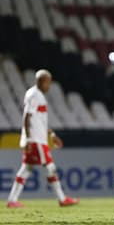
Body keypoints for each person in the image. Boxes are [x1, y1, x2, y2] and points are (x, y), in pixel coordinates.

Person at [6, 70, 79, 208]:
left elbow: (38, 120)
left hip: (37, 138)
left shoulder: (36, 95)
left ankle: (12, 200)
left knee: (26, 169)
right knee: (50, 166)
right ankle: (62, 199)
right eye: (48, 82)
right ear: (41, 81)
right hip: (35, 140)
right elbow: (27, 117)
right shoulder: (35, 95)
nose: (49, 86)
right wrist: (28, 139)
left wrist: (52, 135)